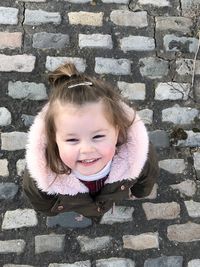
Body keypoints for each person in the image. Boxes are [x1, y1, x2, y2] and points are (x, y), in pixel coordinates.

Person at [23, 63, 159, 220]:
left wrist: (140, 192)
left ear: (117, 131)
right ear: (54, 139)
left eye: (98, 136)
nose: (87, 149)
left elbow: (147, 176)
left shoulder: (139, 157)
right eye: (72, 139)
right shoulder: (41, 176)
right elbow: (41, 202)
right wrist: (50, 211)